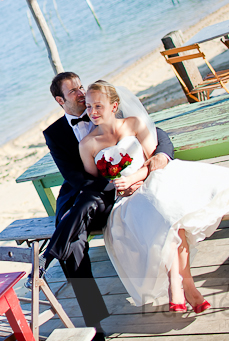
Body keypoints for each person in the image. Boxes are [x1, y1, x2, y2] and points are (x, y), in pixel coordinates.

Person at [79, 80, 229, 312]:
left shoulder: (134, 124)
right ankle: (185, 286)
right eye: (88, 107)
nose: (92, 112)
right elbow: (94, 184)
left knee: (170, 215)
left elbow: (154, 160)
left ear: (114, 106)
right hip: (125, 198)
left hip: (151, 180)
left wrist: (135, 179)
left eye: (98, 106)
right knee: (165, 218)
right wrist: (119, 186)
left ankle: (178, 285)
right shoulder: (87, 144)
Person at [41, 72, 175, 340]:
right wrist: (113, 183)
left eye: (81, 87)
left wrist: (160, 156)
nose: (81, 94)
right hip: (86, 192)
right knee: (74, 246)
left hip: (116, 190)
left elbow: (155, 132)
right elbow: (74, 177)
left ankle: (50, 250)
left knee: (78, 218)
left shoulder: (106, 106)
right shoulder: (54, 134)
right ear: (60, 100)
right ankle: (95, 323)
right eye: (73, 92)